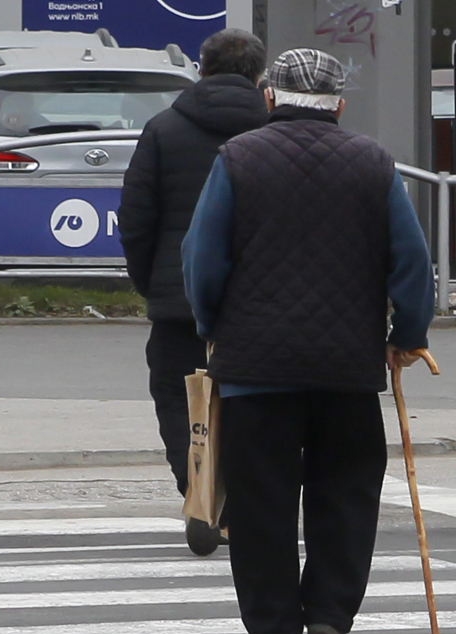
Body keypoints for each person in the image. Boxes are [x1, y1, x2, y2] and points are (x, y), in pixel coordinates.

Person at [182, 48, 435, 634]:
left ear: (269, 97)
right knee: (346, 492)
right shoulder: (374, 163)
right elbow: (411, 260)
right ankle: (329, 614)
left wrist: (212, 324)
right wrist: (407, 331)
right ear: (339, 105)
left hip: (255, 369)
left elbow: (202, 256)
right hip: (347, 368)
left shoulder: (237, 159)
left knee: (260, 501)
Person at [118, 29, 268, 555]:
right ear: (259, 75)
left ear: (200, 69)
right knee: (256, 403)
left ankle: (199, 492)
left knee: (178, 398)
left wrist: (153, 283)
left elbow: (136, 218)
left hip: (179, 300)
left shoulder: (163, 129)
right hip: (259, 302)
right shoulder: (275, 130)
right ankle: (243, 502)